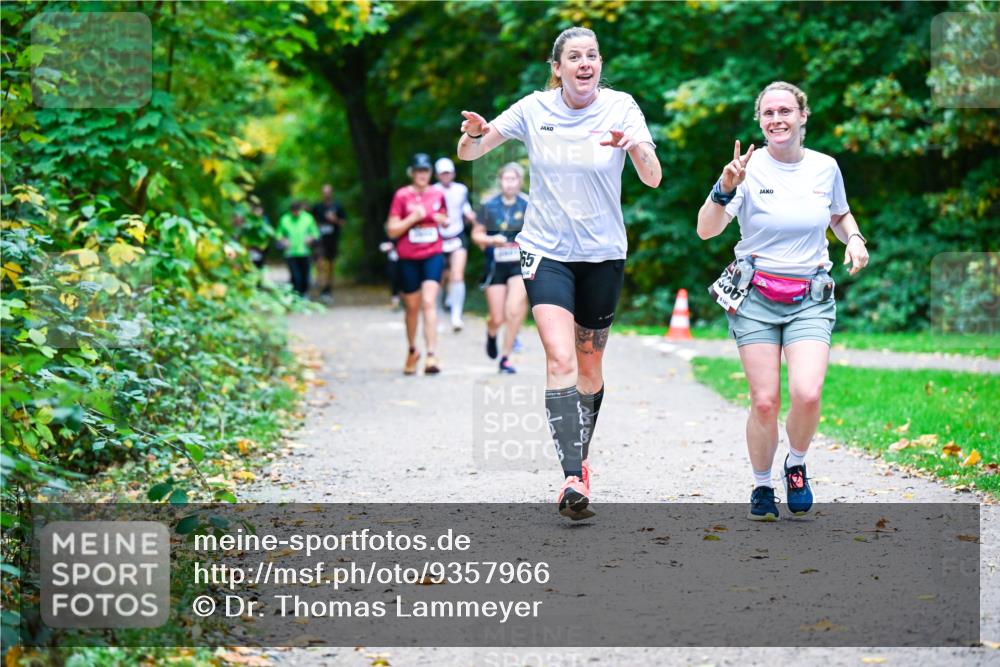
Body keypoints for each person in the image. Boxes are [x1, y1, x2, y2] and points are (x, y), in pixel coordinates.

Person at [457, 26, 661, 519]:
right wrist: (473, 133)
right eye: (574, 56)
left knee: (590, 367)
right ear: (558, 68)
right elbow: (472, 153)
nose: (585, 63)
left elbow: (653, 178)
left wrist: (635, 145)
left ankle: (581, 458)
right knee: (558, 355)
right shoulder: (534, 108)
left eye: (592, 55)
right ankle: (572, 474)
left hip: (604, 253)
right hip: (546, 250)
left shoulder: (622, 107)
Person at [696, 81, 869, 521]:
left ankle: (796, 462)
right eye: (769, 112)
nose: (777, 119)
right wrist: (724, 186)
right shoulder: (745, 171)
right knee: (765, 401)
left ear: (802, 116)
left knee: (807, 393)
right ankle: (760, 484)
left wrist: (854, 238)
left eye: (785, 111)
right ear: (760, 121)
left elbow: (838, 214)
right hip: (754, 296)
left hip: (810, 295)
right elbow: (706, 230)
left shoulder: (825, 168)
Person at [386, 153, 449, 375]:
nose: (422, 175)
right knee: (412, 306)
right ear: (412, 173)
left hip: (433, 254)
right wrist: (413, 218)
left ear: (430, 173)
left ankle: (432, 355)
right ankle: (413, 350)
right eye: (418, 171)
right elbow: (392, 230)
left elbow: (444, 217)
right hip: (408, 258)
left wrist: (443, 220)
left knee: (429, 302)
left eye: (426, 171)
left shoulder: (437, 194)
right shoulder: (402, 196)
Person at [472, 162, 530, 374]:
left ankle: (506, 357)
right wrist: (491, 239)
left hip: (519, 265)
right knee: (498, 317)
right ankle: (491, 332)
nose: (510, 183)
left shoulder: (528, 204)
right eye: (506, 179)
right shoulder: (489, 206)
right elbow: (476, 235)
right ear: (500, 181)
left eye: (513, 179)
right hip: (495, 264)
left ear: (520, 181)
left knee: (513, 309)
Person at [433, 157, 477, 332]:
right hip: (438, 237)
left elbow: (465, 207)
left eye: (448, 172)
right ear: (437, 175)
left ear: (453, 173)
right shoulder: (432, 191)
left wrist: (472, 217)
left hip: (457, 234)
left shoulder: (461, 189)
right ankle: (436, 315)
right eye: (443, 173)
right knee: (438, 279)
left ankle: (456, 316)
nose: (446, 176)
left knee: (457, 275)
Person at [276, 200, 319, 296]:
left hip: (305, 252)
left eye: (297, 211)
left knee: (305, 276)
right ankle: (296, 295)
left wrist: (311, 239)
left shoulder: (308, 218)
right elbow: (278, 234)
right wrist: (283, 241)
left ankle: (304, 294)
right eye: (293, 211)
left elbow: (315, 233)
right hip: (290, 252)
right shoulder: (285, 219)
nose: (295, 213)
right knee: (295, 276)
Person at [312, 184, 347, 299]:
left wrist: (334, 220)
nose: (326, 194)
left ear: (331, 193)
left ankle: (327, 289)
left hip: (332, 240)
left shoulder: (338, 206)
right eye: (324, 192)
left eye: (328, 192)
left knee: (330, 265)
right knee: (320, 263)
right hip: (319, 240)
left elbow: (343, 223)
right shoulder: (317, 207)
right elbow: (311, 221)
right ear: (322, 193)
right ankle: (320, 285)